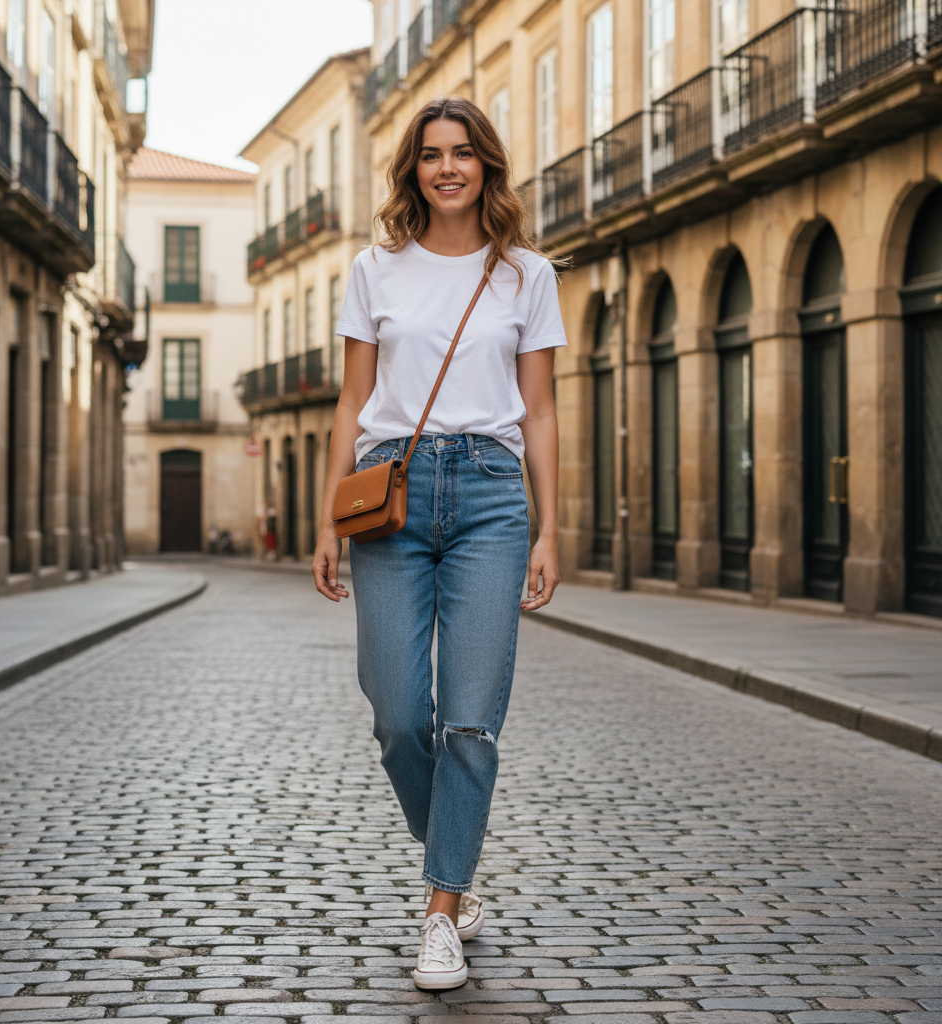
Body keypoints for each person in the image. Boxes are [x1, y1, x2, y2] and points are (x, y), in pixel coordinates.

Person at [311, 96, 565, 990]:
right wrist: (326, 519)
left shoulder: (527, 275)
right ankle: (454, 855)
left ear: (486, 164)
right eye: (431, 154)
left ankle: (442, 911)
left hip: (492, 497)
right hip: (392, 495)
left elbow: (540, 412)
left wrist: (550, 527)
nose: (447, 168)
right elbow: (352, 401)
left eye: (462, 153)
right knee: (395, 713)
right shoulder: (374, 268)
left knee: (468, 720)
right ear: (412, 169)